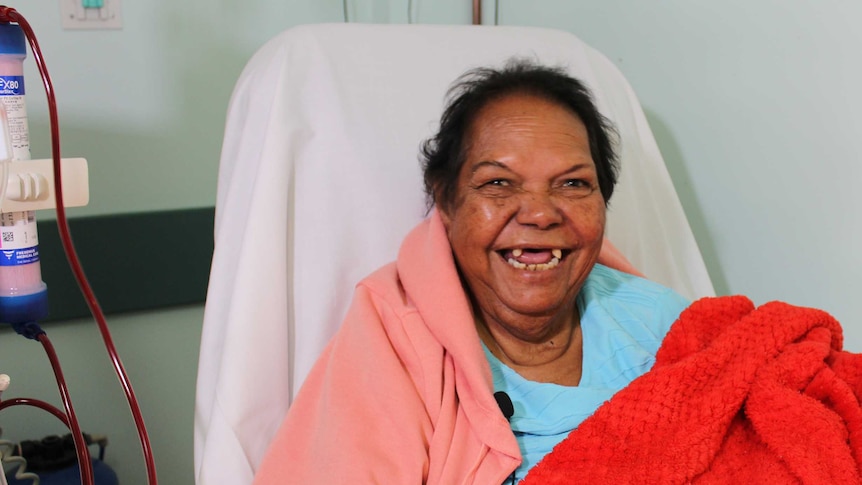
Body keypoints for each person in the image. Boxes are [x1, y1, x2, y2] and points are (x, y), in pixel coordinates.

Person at [252, 60, 862, 484]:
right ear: (444, 199)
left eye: (574, 185)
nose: (541, 213)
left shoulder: (665, 325)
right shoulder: (395, 348)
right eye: (498, 184)